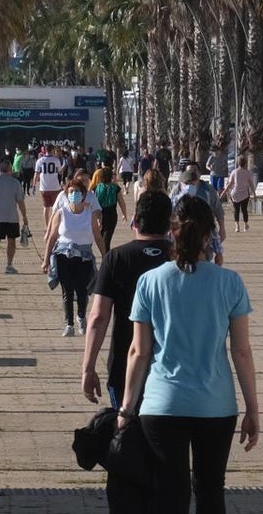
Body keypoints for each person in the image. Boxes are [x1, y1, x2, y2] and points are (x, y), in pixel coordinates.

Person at [117, 194, 260, 514]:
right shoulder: (229, 282)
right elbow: (242, 352)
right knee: (211, 491)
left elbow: (139, 353)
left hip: (163, 405)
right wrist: (253, 408)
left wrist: (126, 407)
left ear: (172, 234)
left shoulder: (151, 282)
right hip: (216, 405)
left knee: (173, 498)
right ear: (210, 234)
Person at [81, 190, 173, 409]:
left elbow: (98, 317)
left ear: (135, 221)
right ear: (169, 224)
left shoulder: (116, 258)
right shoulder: (179, 257)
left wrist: (88, 367)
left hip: (125, 361)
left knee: (127, 433)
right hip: (173, 364)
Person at [41, 178, 105, 337]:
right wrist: (46, 260)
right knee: (67, 291)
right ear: (66, 194)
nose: (74, 194)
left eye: (77, 192)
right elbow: (53, 237)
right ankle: (69, 324)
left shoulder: (89, 213)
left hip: (83, 257)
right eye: (71, 192)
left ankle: (81, 316)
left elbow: (97, 236)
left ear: (83, 195)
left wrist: (105, 256)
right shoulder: (61, 212)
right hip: (64, 255)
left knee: (82, 291)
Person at [172, 164, 226, 265]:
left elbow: (212, 223)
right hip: (180, 247)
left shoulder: (207, 193)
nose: (189, 186)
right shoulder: (176, 198)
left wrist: (218, 251)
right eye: (187, 183)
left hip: (202, 245)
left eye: (192, 183)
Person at [0, 160, 30, 273]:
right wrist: (24, 216)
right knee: (11, 240)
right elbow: (20, 202)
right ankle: (9, 265)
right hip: (11, 217)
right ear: (10, 169)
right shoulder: (15, 183)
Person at [91, 167, 127, 249]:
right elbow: (122, 203)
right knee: (106, 240)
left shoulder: (96, 188)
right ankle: (106, 257)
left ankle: (105, 258)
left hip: (98, 215)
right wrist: (124, 214)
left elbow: (93, 203)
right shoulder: (115, 188)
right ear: (111, 177)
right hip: (111, 216)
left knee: (101, 239)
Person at [33, 145, 66, 228]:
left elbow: (36, 174)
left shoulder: (40, 161)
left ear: (45, 150)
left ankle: (47, 226)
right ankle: (55, 224)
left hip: (44, 187)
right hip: (55, 187)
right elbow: (60, 172)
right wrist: (63, 167)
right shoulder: (56, 160)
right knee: (55, 207)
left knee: (46, 207)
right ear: (52, 150)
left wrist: (33, 186)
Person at [223, 155, 255, 233]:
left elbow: (230, 184)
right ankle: (245, 225)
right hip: (244, 193)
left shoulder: (234, 172)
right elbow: (251, 184)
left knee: (236, 210)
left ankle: (237, 226)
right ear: (245, 163)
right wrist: (254, 194)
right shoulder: (248, 172)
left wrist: (223, 193)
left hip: (235, 193)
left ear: (238, 163)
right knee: (244, 210)